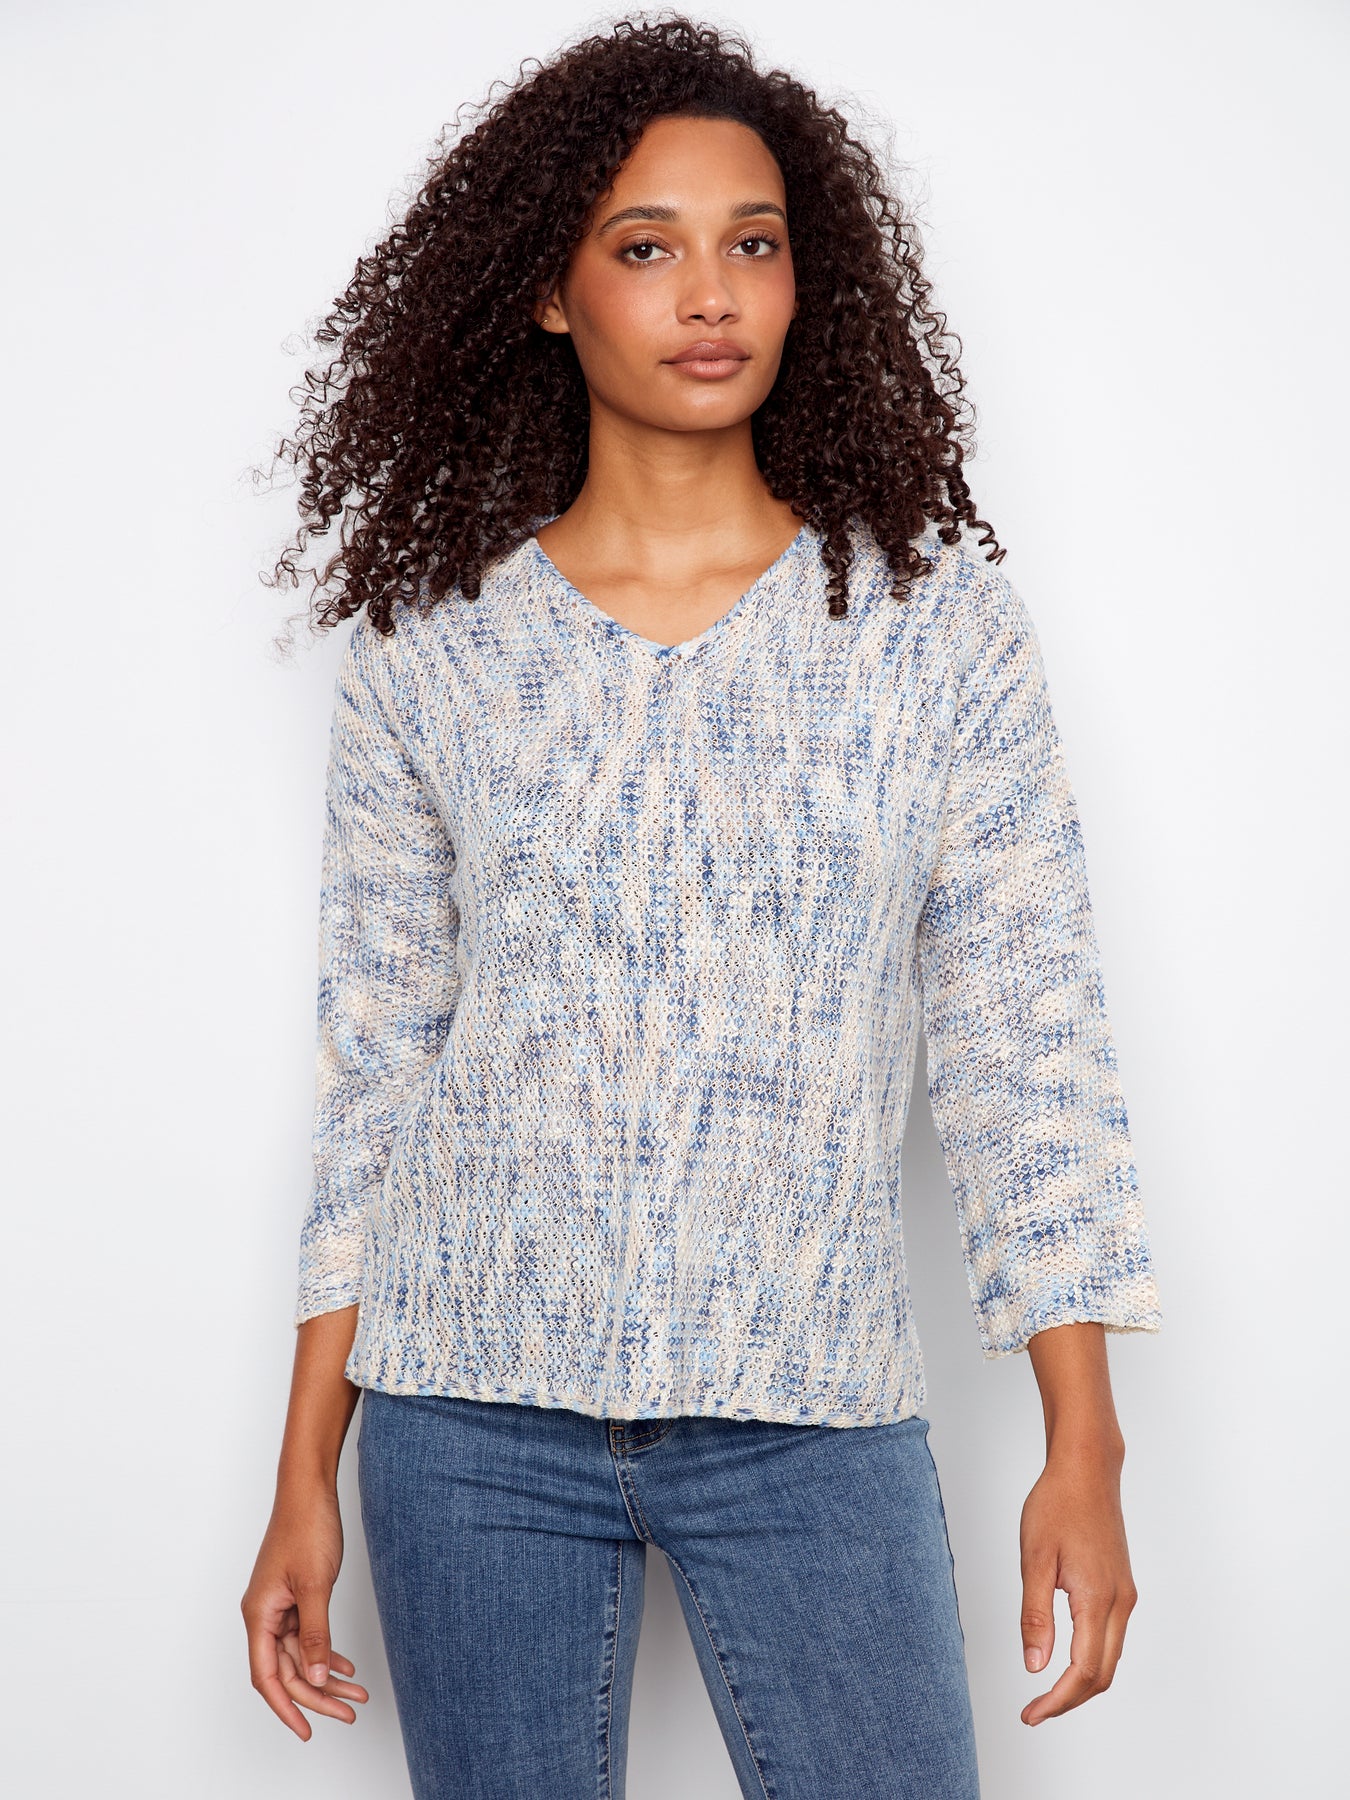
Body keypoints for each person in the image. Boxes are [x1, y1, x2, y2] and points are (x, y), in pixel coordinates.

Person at [241, 16, 1163, 1798]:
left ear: (810, 279)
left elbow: (1023, 1047)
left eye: (752, 241)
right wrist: (303, 1472)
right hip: (465, 1420)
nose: (710, 292)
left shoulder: (928, 627)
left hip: (813, 1408)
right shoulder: (433, 646)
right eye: (645, 247)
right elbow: (382, 1073)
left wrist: (1085, 1442)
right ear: (547, 294)